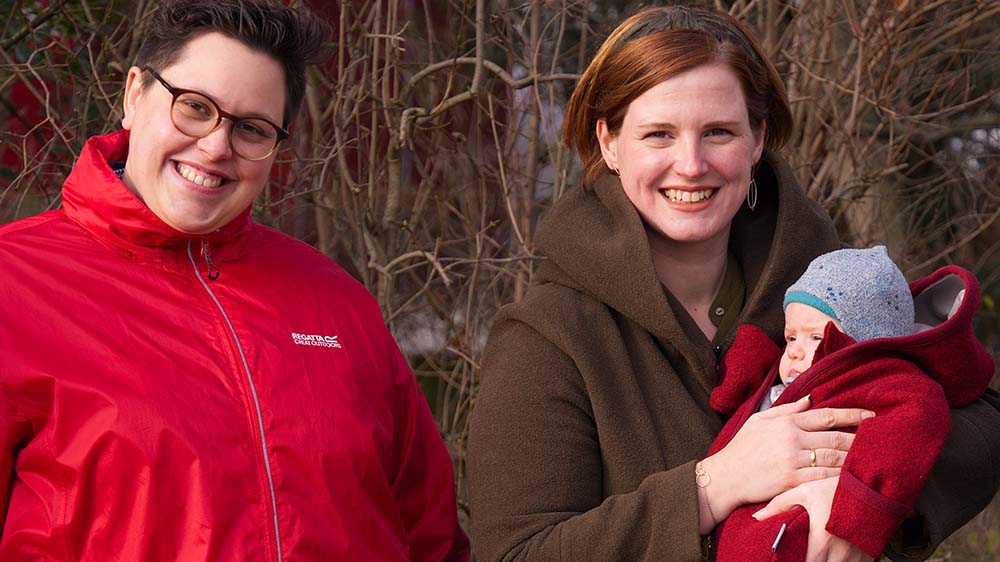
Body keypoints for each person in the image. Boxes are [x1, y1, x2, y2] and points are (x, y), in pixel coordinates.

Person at [465, 6, 1000, 562]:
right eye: (658, 135)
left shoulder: (822, 283)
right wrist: (712, 487)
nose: (691, 164)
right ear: (609, 143)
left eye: (718, 131)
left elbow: (978, 421)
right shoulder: (550, 337)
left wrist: (858, 499)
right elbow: (517, 552)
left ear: (757, 139)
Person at [0, 1, 469, 560]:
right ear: (133, 96)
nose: (217, 146)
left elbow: (430, 534)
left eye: (250, 128)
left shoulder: (334, 301)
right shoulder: (16, 283)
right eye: (194, 107)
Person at [707, 246, 994, 560]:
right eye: (791, 338)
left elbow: (915, 423)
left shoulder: (882, 380)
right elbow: (740, 391)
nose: (795, 352)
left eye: (815, 338)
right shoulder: (784, 375)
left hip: (802, 520)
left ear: (861, 343)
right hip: (737, 510)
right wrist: (743, 364)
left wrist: (859, 509)